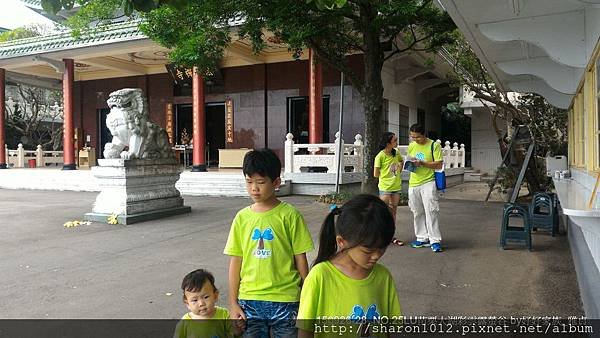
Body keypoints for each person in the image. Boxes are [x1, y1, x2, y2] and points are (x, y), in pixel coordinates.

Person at [224, 148, 314, 338]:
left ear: (276, 183)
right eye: (249, 182)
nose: (254, 188)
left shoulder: (290, 215)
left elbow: (300, 258)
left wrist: (307, 296)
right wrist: (233, 303)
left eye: (261, 182)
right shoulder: (241, 218)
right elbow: (236, 262)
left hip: (286, 299)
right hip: (249, 299)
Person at [297, 194, 402, 338]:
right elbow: (305, 329)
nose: (377, 255)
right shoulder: (320, 276)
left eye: (382, 248)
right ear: (341, 241)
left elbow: (389, 326)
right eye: (368, 250)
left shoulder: (383, 276)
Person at [406, 124, 443, 253]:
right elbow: (410, 160)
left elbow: (439, 164)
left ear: (424, 134)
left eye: (417, 137)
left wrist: (422, 163)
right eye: (412, 137)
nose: (414, 139)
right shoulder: (411, 146)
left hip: (428, 182)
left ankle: (435, 240)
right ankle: (422, 237)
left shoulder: (434, 145)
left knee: (431, 211)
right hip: (413, 182)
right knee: (417, 211)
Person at [174, 268, 241, 338]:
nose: (201, 303)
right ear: (187, 303)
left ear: (215, 296)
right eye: (195, 300)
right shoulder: (185, 323)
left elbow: (232, 334)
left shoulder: (224, 315)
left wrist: (237, 330)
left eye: (206, 297)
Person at [373, 131, 404, 246]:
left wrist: (399, 169)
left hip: (396, 186)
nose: (397, 142)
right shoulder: (380, 156)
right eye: (394, 140)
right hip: (385, 187)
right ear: (387, 143)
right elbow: (376, 174)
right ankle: (379, 235)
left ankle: (391, 236)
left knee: (393, 213)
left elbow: (401, 161)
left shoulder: (396, 153)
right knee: (382, 212)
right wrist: (388, 173)